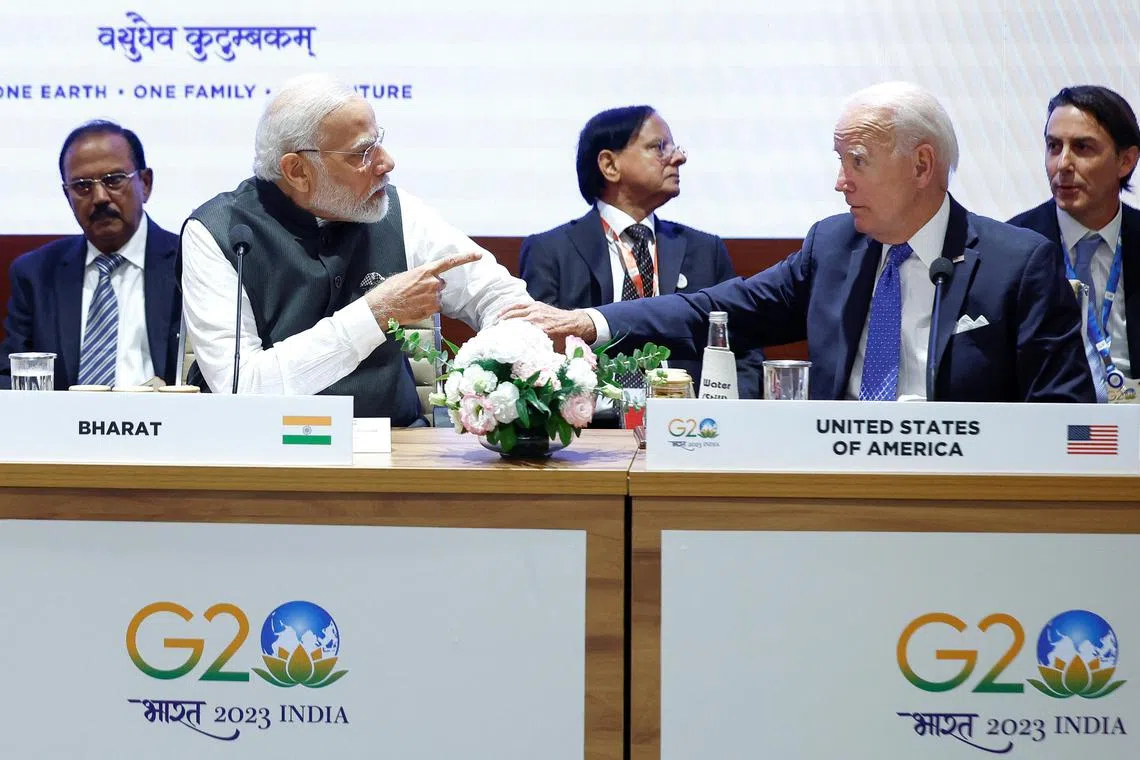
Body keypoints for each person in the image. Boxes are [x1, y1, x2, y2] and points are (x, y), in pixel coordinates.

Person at [503, 82, 1095, 403]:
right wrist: (590, 321)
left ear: (921, 165)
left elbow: (1066, 421)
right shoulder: (834, 247)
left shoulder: (1018, 263)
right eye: (838, 161)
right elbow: (719, 308)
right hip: (830, 489)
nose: (841, 183)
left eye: (856, 162)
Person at [180, 73, 532, 425]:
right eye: (362, 152)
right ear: (297, 170)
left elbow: (498, 294)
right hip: (265, 456)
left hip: (396, 451)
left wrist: (498, 371)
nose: (386, 162)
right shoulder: (218, 232)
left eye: (378, 142)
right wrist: (374, 314)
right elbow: (241, 389)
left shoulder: (395, 210)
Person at [519, 105, 764, 399]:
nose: (679, 157)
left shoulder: (705, 250)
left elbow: (743, 350)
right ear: (610, 165)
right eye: (659, 147)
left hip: (692, 426)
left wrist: (730, 421)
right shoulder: (551, 251)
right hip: (590, 430)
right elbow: (538, 355)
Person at [0, 120, 181, 390]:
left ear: (145, 183)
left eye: (114, 180)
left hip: (167, 426)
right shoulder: (36, 274)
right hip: (62, 429)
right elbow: (10, 378)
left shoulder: (188, 263)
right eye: (82, 186)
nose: (99, 197)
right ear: (67, 195)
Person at [1008, 85, 1140, 399]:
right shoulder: (1011, 247)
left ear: (1125, 161)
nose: (1062, 165)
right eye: (1054, 146)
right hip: (1044, 426)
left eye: (1082, 148)